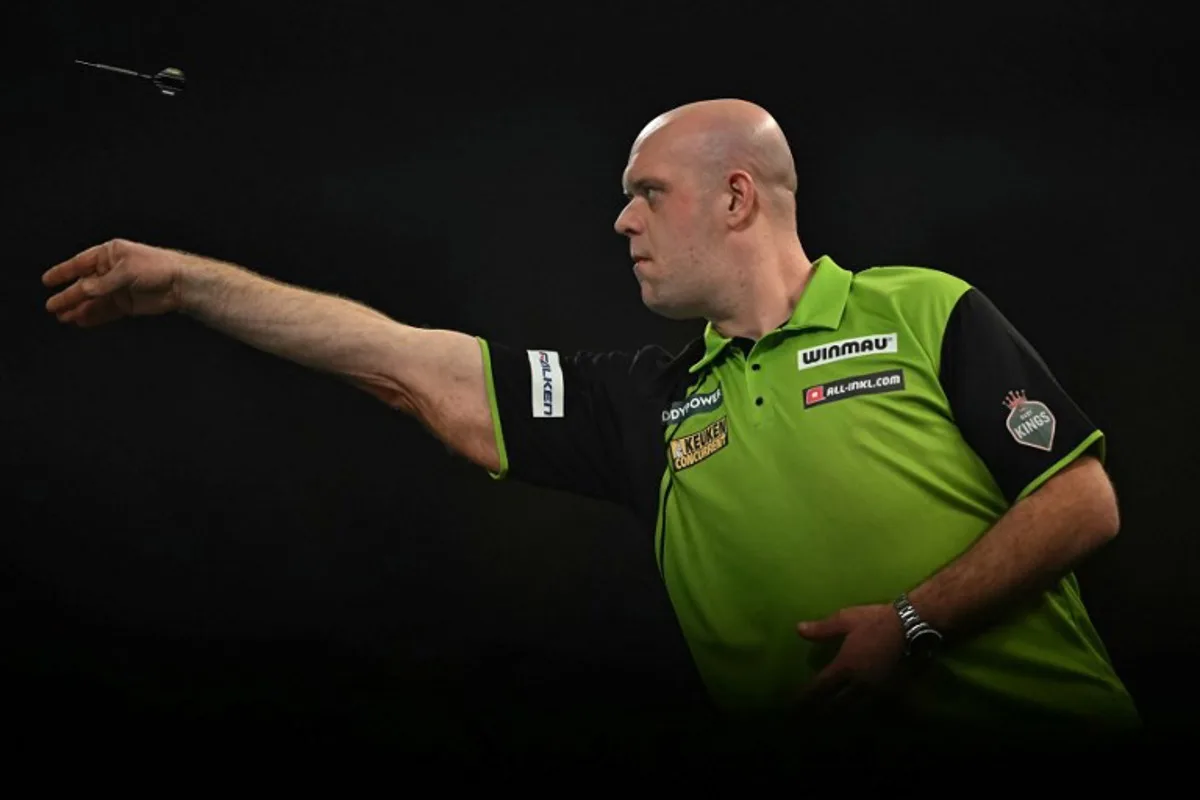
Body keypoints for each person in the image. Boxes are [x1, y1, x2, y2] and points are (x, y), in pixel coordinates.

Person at [42, 98, 1139, 756]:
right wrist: (188, 284)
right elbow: (405, 363)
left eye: (645, 192)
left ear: (739, 198)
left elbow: (1084, 499)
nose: (619, 219)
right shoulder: (644, 405)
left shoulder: (921, 308)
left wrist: (910, 621)